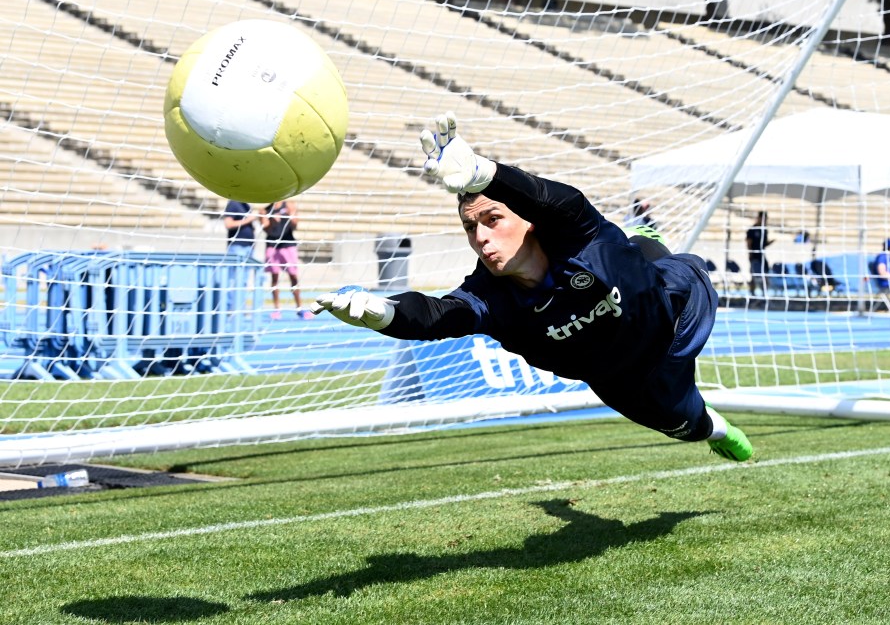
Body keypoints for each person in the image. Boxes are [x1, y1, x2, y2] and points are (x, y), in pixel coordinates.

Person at [312, 112, 753, 462]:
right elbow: (437, 315)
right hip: (623, 379)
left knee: (646, 261)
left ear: (529, 220)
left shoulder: (575, 230)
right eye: (471, 227)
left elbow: (556, 199)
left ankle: (645, 246)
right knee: (689, 425)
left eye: (493, 219)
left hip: (675, 313)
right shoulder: (488, 296)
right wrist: (383, 314)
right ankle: (719, 430)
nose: (481, 236)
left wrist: (486, 173)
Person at [261, 199, 311, 320]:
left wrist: (289, 215)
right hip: (272, 246)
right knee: (274, 278)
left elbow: (295, 225)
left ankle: (299, 308)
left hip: (288, 245)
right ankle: (277, 309)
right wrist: (272, 221)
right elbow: (266, 230)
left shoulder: (289, 205)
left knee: (293, 276)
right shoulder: (264, 210)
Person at [745, 210, 773, 296]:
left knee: (765, 274)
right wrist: (750, 254)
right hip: (754, 256)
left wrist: (770, 242)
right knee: (754, 276)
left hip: (762, 256)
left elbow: (764, 244)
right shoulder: (752, 230)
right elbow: (749, 242)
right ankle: (752, 294)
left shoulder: (764, 230)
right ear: (759, 218)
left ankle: (764, 294)